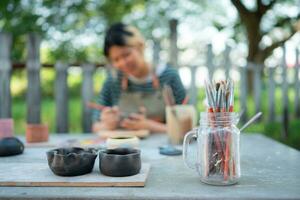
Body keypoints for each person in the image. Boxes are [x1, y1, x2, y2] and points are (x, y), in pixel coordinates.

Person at [92, 22, 186, 133]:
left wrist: (148, 125)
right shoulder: (113, 81)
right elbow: (95, 126)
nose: (123, 63)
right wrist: (108, 124)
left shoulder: (169, 77)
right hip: (124, 148)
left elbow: (186, 128)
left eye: (126, 55)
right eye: (116, 60)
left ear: (140, 46)